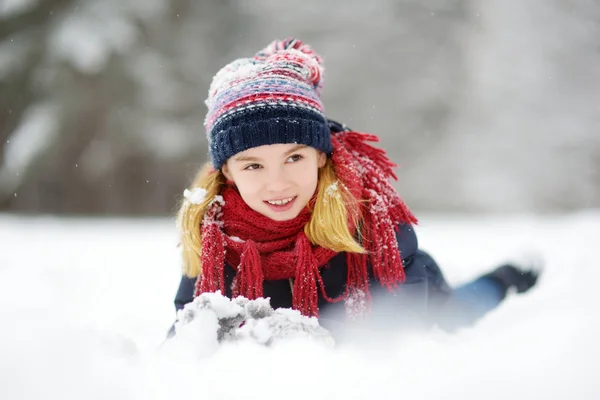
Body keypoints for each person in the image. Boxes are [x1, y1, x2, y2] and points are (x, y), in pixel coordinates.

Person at [170, 38, 540, 342]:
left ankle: (508, 275)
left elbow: (394, 341)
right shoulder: (215, 238)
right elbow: (188, 341)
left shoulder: (371, 223)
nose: (278, 182)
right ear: (228, 173)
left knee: (463, 308)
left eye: (294, 157)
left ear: (320, 156)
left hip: (422, 301)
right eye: (253, 165)